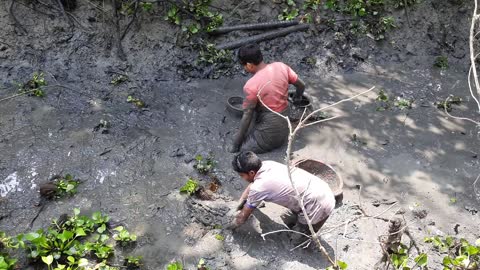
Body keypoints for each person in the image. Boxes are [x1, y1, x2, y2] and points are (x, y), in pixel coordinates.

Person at [229, 151, 336, 245]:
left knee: (296, 240)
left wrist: (229, 227)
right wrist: (242, 201)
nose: (242, 178)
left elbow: (242, 217)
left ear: (251, 172)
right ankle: (302, 224)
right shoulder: (267, 164)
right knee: (286, 218)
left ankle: (305, 237)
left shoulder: (259, 187)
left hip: (320, 205)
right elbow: (252, 186)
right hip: (321, 189)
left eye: (242, 175)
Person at [229, 44, 306, 154]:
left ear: (250, 65)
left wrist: (235, 145)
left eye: (244, 66)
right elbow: (301, 85)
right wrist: (297, 100)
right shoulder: (281, 66)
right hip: (285, 124)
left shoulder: (251, 85)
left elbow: (247, 117)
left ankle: (256, 140)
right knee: (255, 107)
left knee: (244, 149)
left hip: (271, 135)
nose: (244, 69)